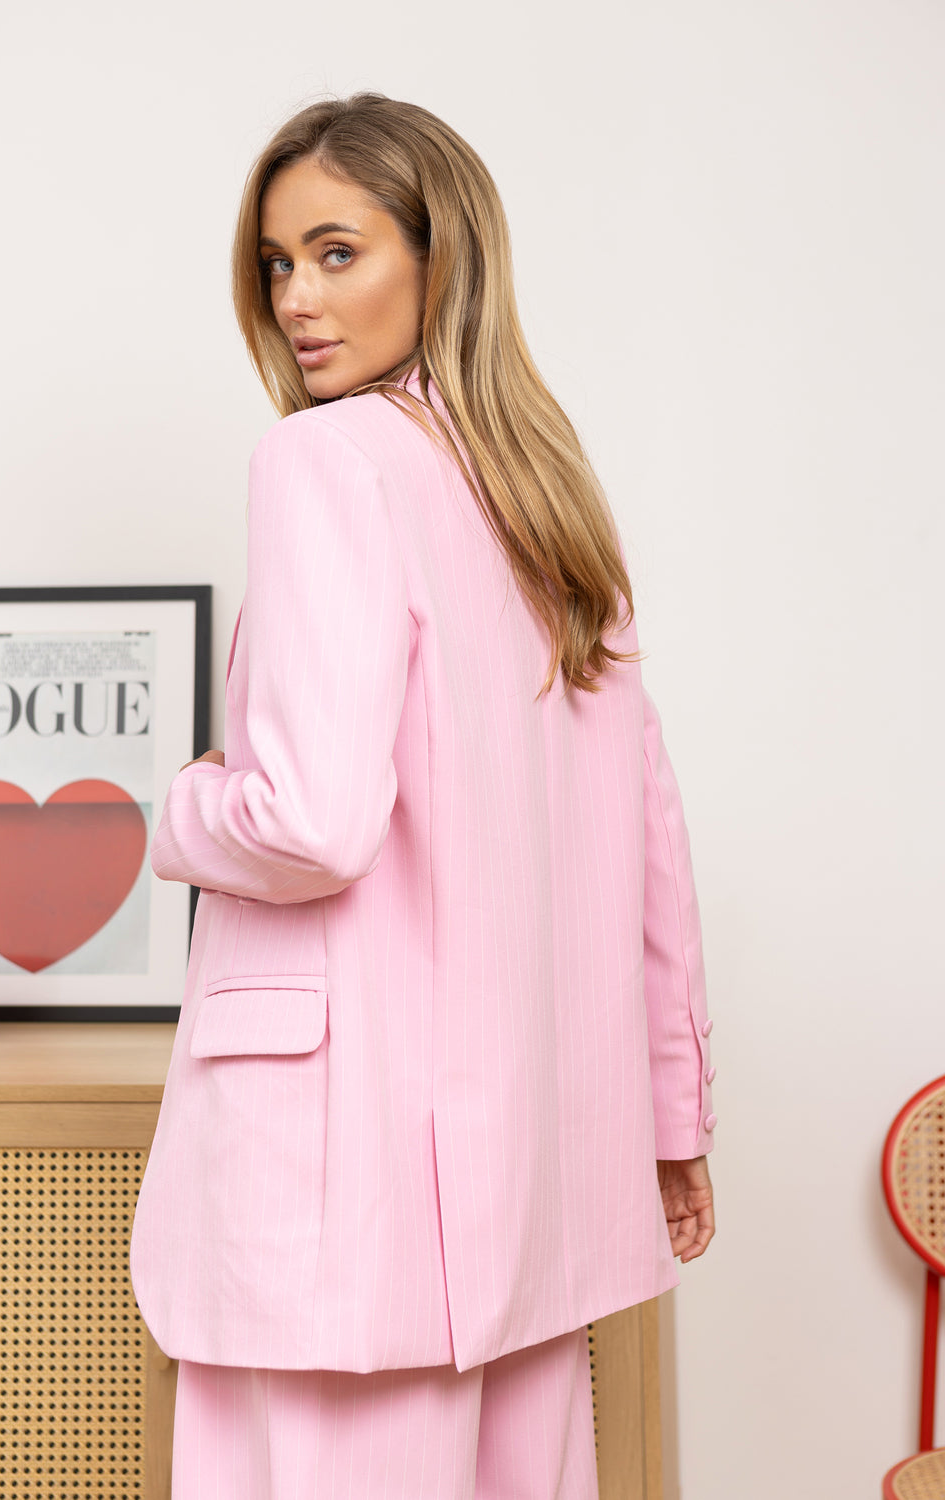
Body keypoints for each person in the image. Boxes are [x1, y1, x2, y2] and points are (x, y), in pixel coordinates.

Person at [130, 92, 716, 1500]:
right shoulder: (550, 496)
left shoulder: (323, 459)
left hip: (347, 1198)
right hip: (537, 1192)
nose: (297, 299)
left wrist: (183, 809)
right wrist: (673, 1119)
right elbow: (647, 839)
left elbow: (311, 822)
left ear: (441, 257)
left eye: (338, 253)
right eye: (278, 264)